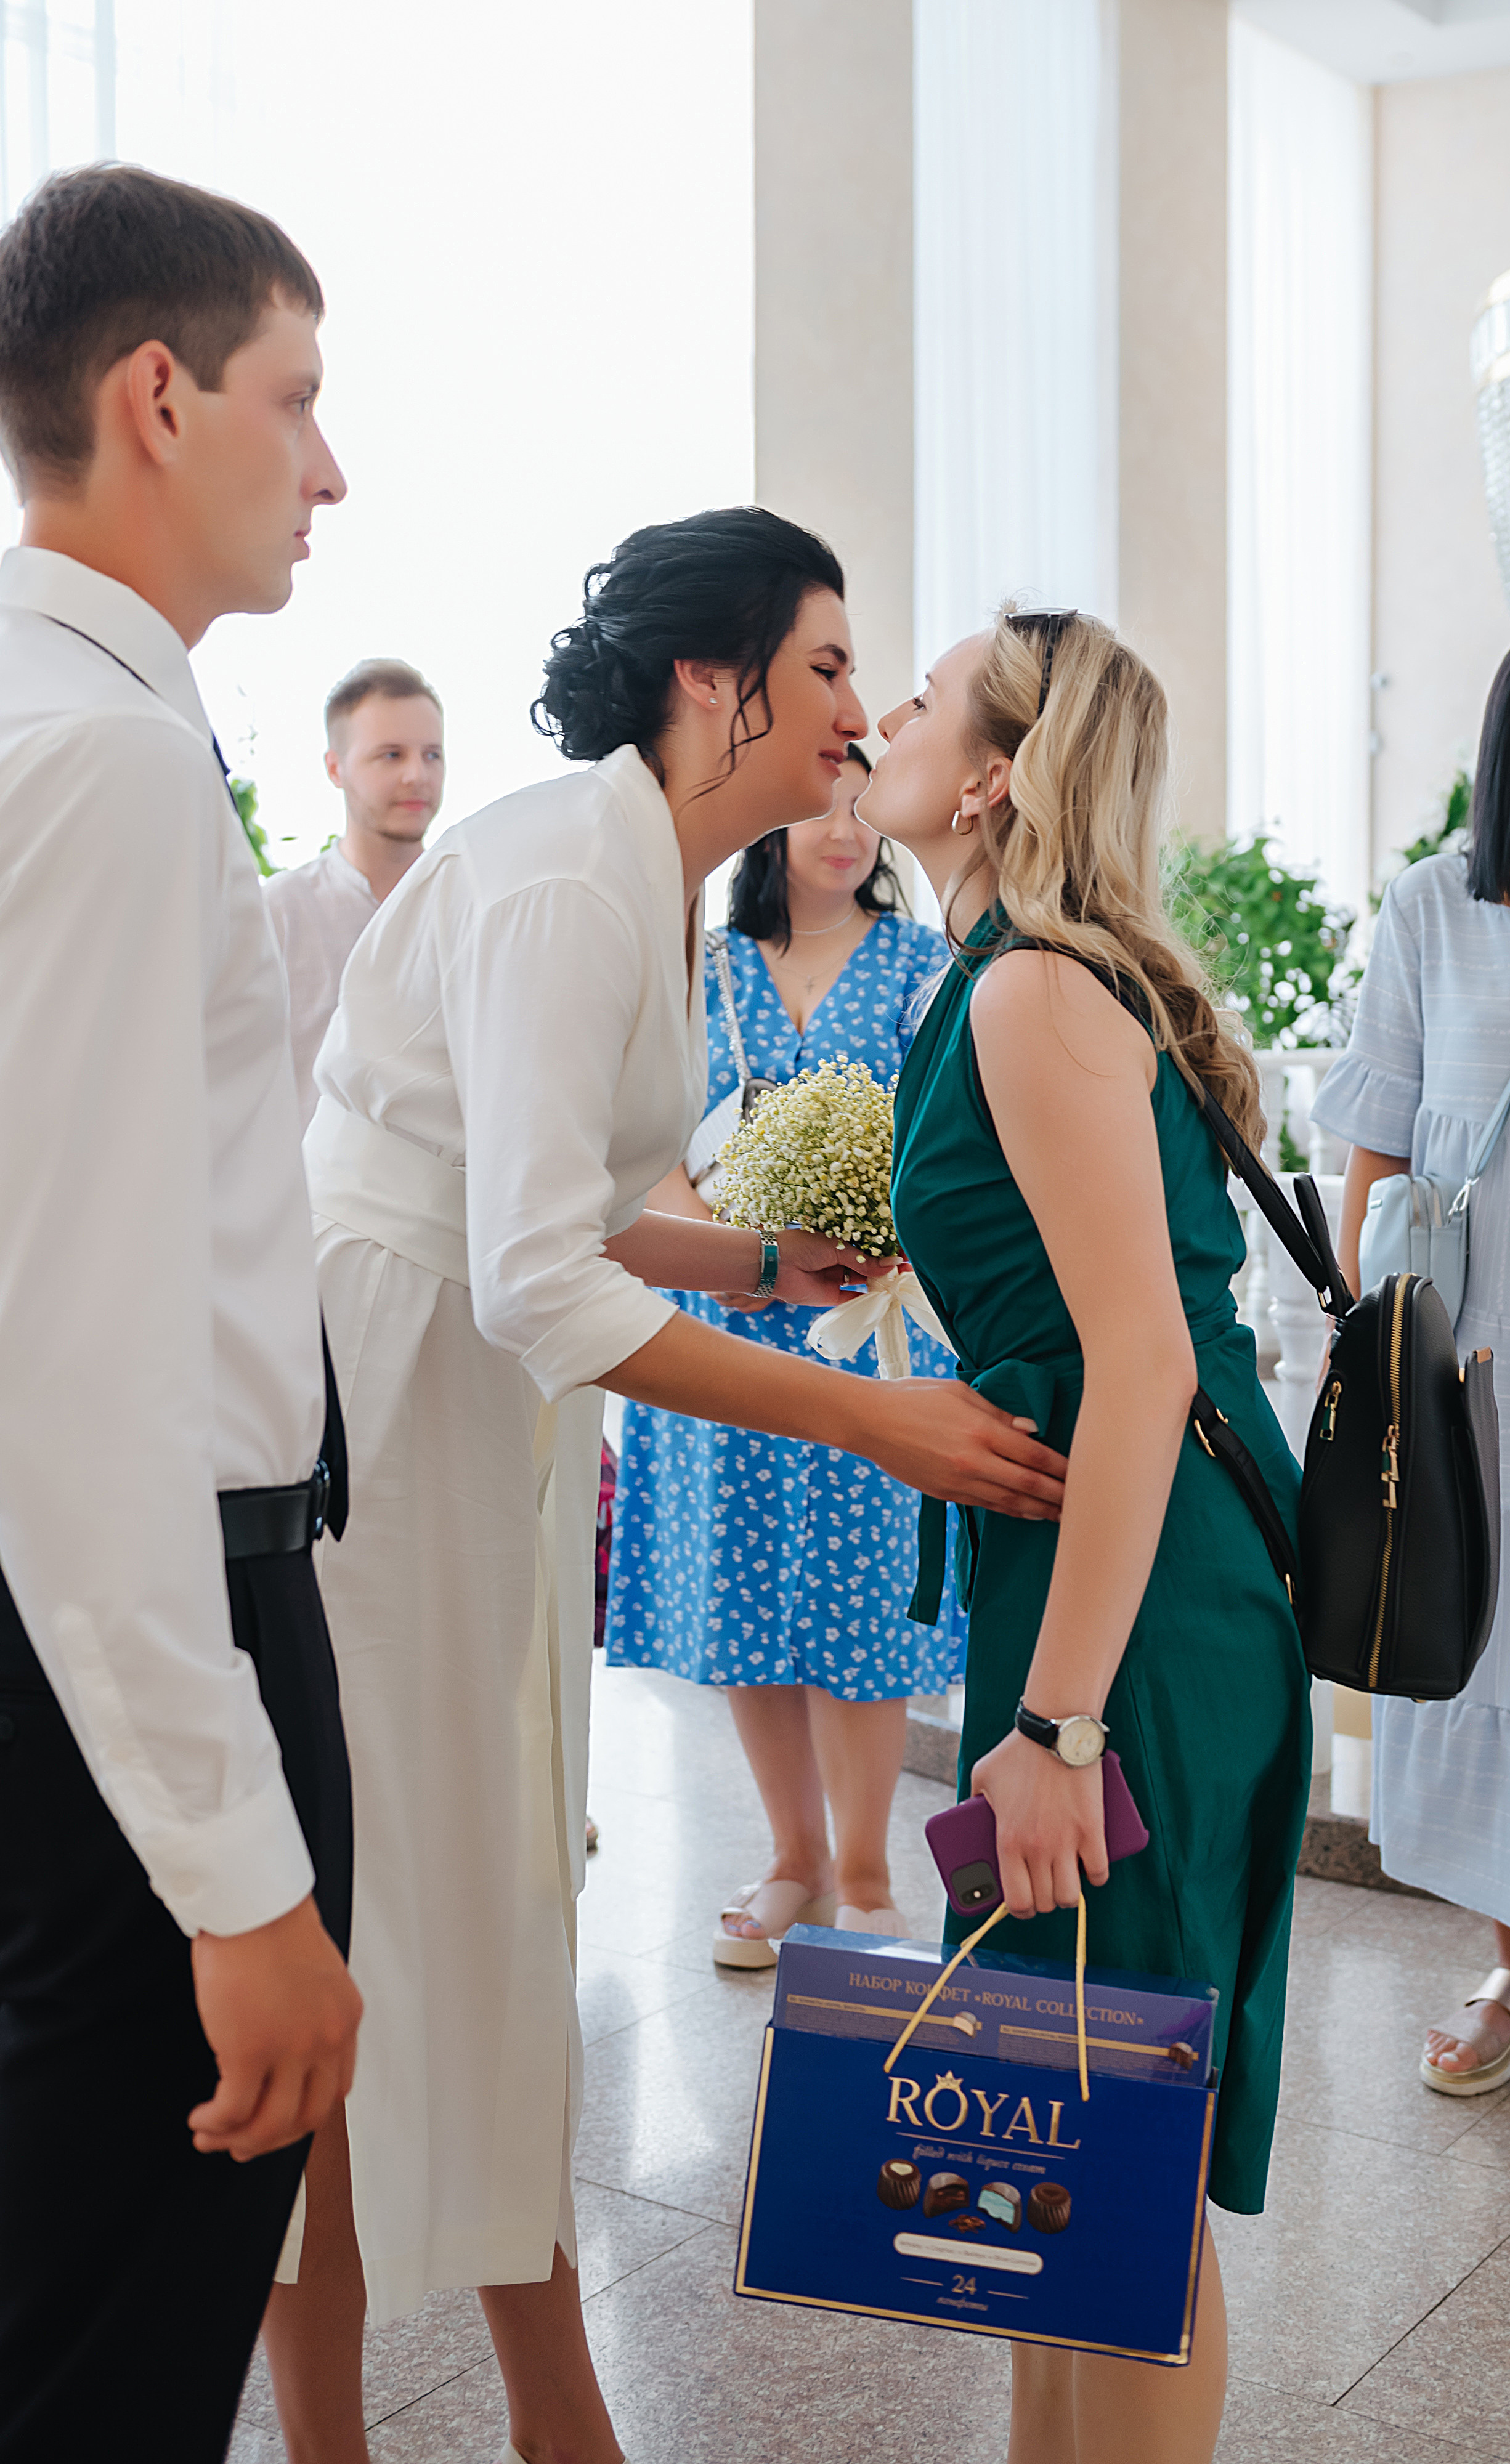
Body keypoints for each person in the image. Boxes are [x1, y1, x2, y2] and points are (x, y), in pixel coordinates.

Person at [269, 508, 1070, 2464]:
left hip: (472, 1383)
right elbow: (533, 1265)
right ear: (712, 685)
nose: (850, 707)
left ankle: (555, 2412)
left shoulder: (626, 865)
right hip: (391, 1398)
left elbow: (558, 1212)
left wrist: (756, 1267)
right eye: (821, 665)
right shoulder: (567, 881)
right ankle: (394, 2427)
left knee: (488, 1896)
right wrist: (868, 1415)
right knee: (398, 1906)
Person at [855, 606, 1311, 2464]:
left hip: (1131, 1620)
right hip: (1107, 1582)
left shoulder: (1034, 988)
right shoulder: (1015, 972)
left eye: (922, 685)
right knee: (1054, 2124)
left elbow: (1135, 1361)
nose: (879, 703)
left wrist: (1057, 1729)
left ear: (989, 774)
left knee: (1110, 2159)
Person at [0, 165, 361, 2464]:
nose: (332, 467)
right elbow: (80, 1362)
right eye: (298, 399)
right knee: (115, 2324)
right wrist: (236, 1879)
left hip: (104, 1644)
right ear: (158, 395)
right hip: (158, 1627)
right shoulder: (107, 758)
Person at [606, 743, 965, 1961]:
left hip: (870, 1325)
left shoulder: (928, 969)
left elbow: (944, 1138)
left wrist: (857, 1239)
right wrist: (734, 1254)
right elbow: (640, 1135)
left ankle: (865, 1870)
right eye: (823, 797)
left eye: (867, 802)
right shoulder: (700, 967)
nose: (846, 823)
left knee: (863, 1601)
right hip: (717, 1322)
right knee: (740, 1589)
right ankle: (790, 1861)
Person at [1312, 630, 1510, 2096]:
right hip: (1474, 1372)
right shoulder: (1431, 909)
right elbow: (1375, 1148)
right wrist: (1364, 1345)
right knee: (1488, 1651)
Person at [266, 657, 445, 1127]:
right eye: (391, 754)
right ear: (335, 768)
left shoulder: (469, 906)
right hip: (307, 1192)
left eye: (432, 754)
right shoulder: (283, 911)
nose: (417, 776)